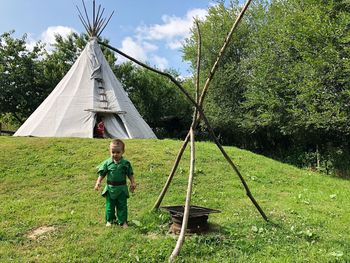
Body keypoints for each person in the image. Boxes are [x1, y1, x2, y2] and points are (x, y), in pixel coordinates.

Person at [94, 139, 136, 228]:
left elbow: (130, 174)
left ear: (123, 152)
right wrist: (98, 182)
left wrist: (133, 182)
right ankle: (110, 220)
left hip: (122, 189)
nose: (115, 154)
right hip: (110, 188)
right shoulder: (107, 163)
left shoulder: (126, 164)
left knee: (122, 206)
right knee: (110, 206)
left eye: (118, 152)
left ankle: (123, 221)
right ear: (110, 151)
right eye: (113, 152)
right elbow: (102, 173)